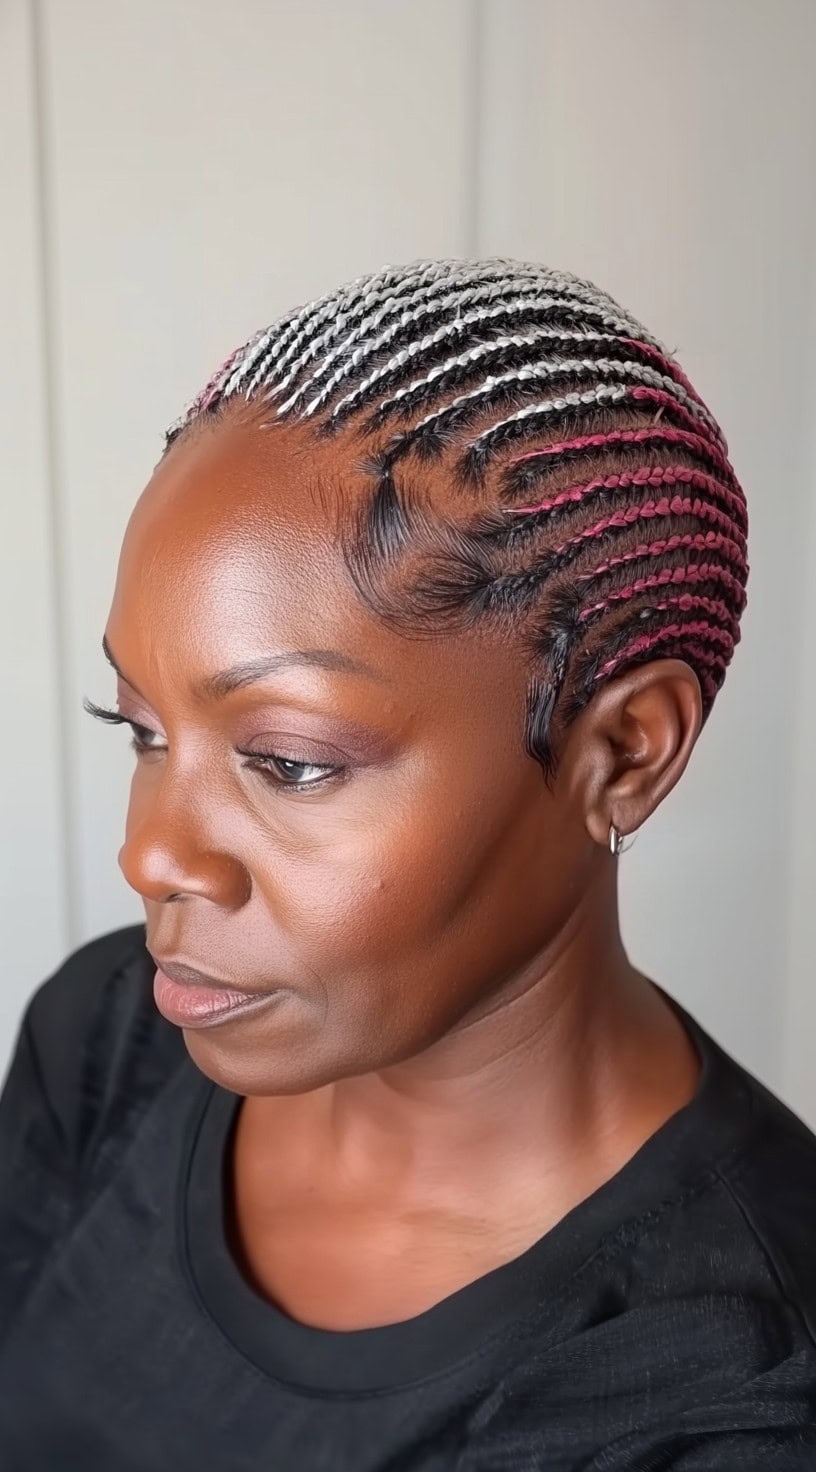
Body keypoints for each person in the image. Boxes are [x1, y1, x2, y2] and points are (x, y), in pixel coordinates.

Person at [1, 258, 814, 1470]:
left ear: (624, 752)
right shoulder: (111, 1035)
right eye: (142, 729)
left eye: (289, 761)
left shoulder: (732, 1382)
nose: (151, 852)